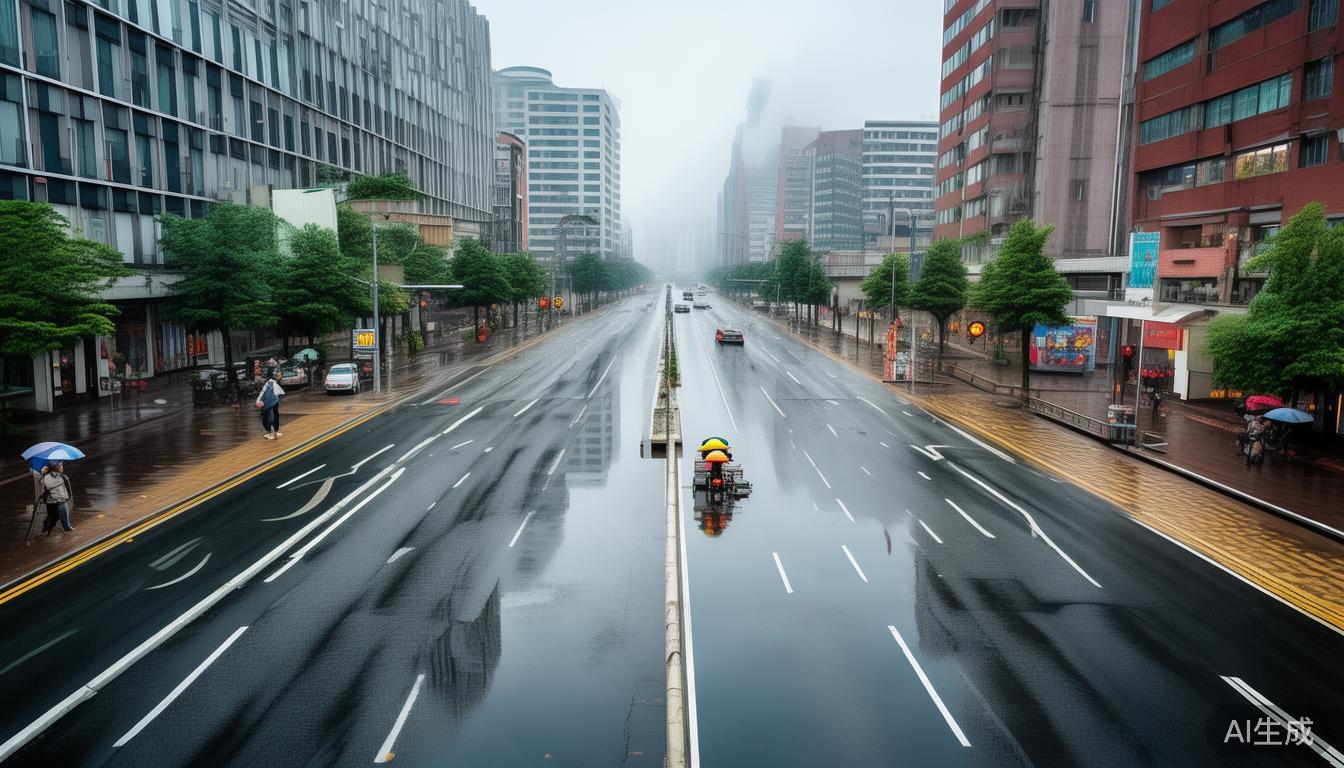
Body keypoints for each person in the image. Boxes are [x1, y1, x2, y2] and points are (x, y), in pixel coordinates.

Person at [39, 461, 74, 534]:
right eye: (60, 465)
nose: (62, 467)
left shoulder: (60, 475)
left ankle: (64, 527)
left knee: (55, 516)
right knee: (58, 513)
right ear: (56, 467)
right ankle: (65, 528)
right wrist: (42, 474)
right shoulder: (48, 477)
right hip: (53, 501)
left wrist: (65, 479)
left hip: (58, 500)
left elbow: (62, 489)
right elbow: (48, 488)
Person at [257, 371, 285, 440]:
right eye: (279, 375)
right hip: (267, 403)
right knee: (269, 417)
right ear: (275, 376)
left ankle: (275, 431)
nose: (281, 376)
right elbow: (264, 392)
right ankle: (270, 432)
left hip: (274, 402)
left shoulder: (277, 383)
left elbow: (276, 393)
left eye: (281, 375)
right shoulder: (271, 383)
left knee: (275, 415)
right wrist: (259, 401)